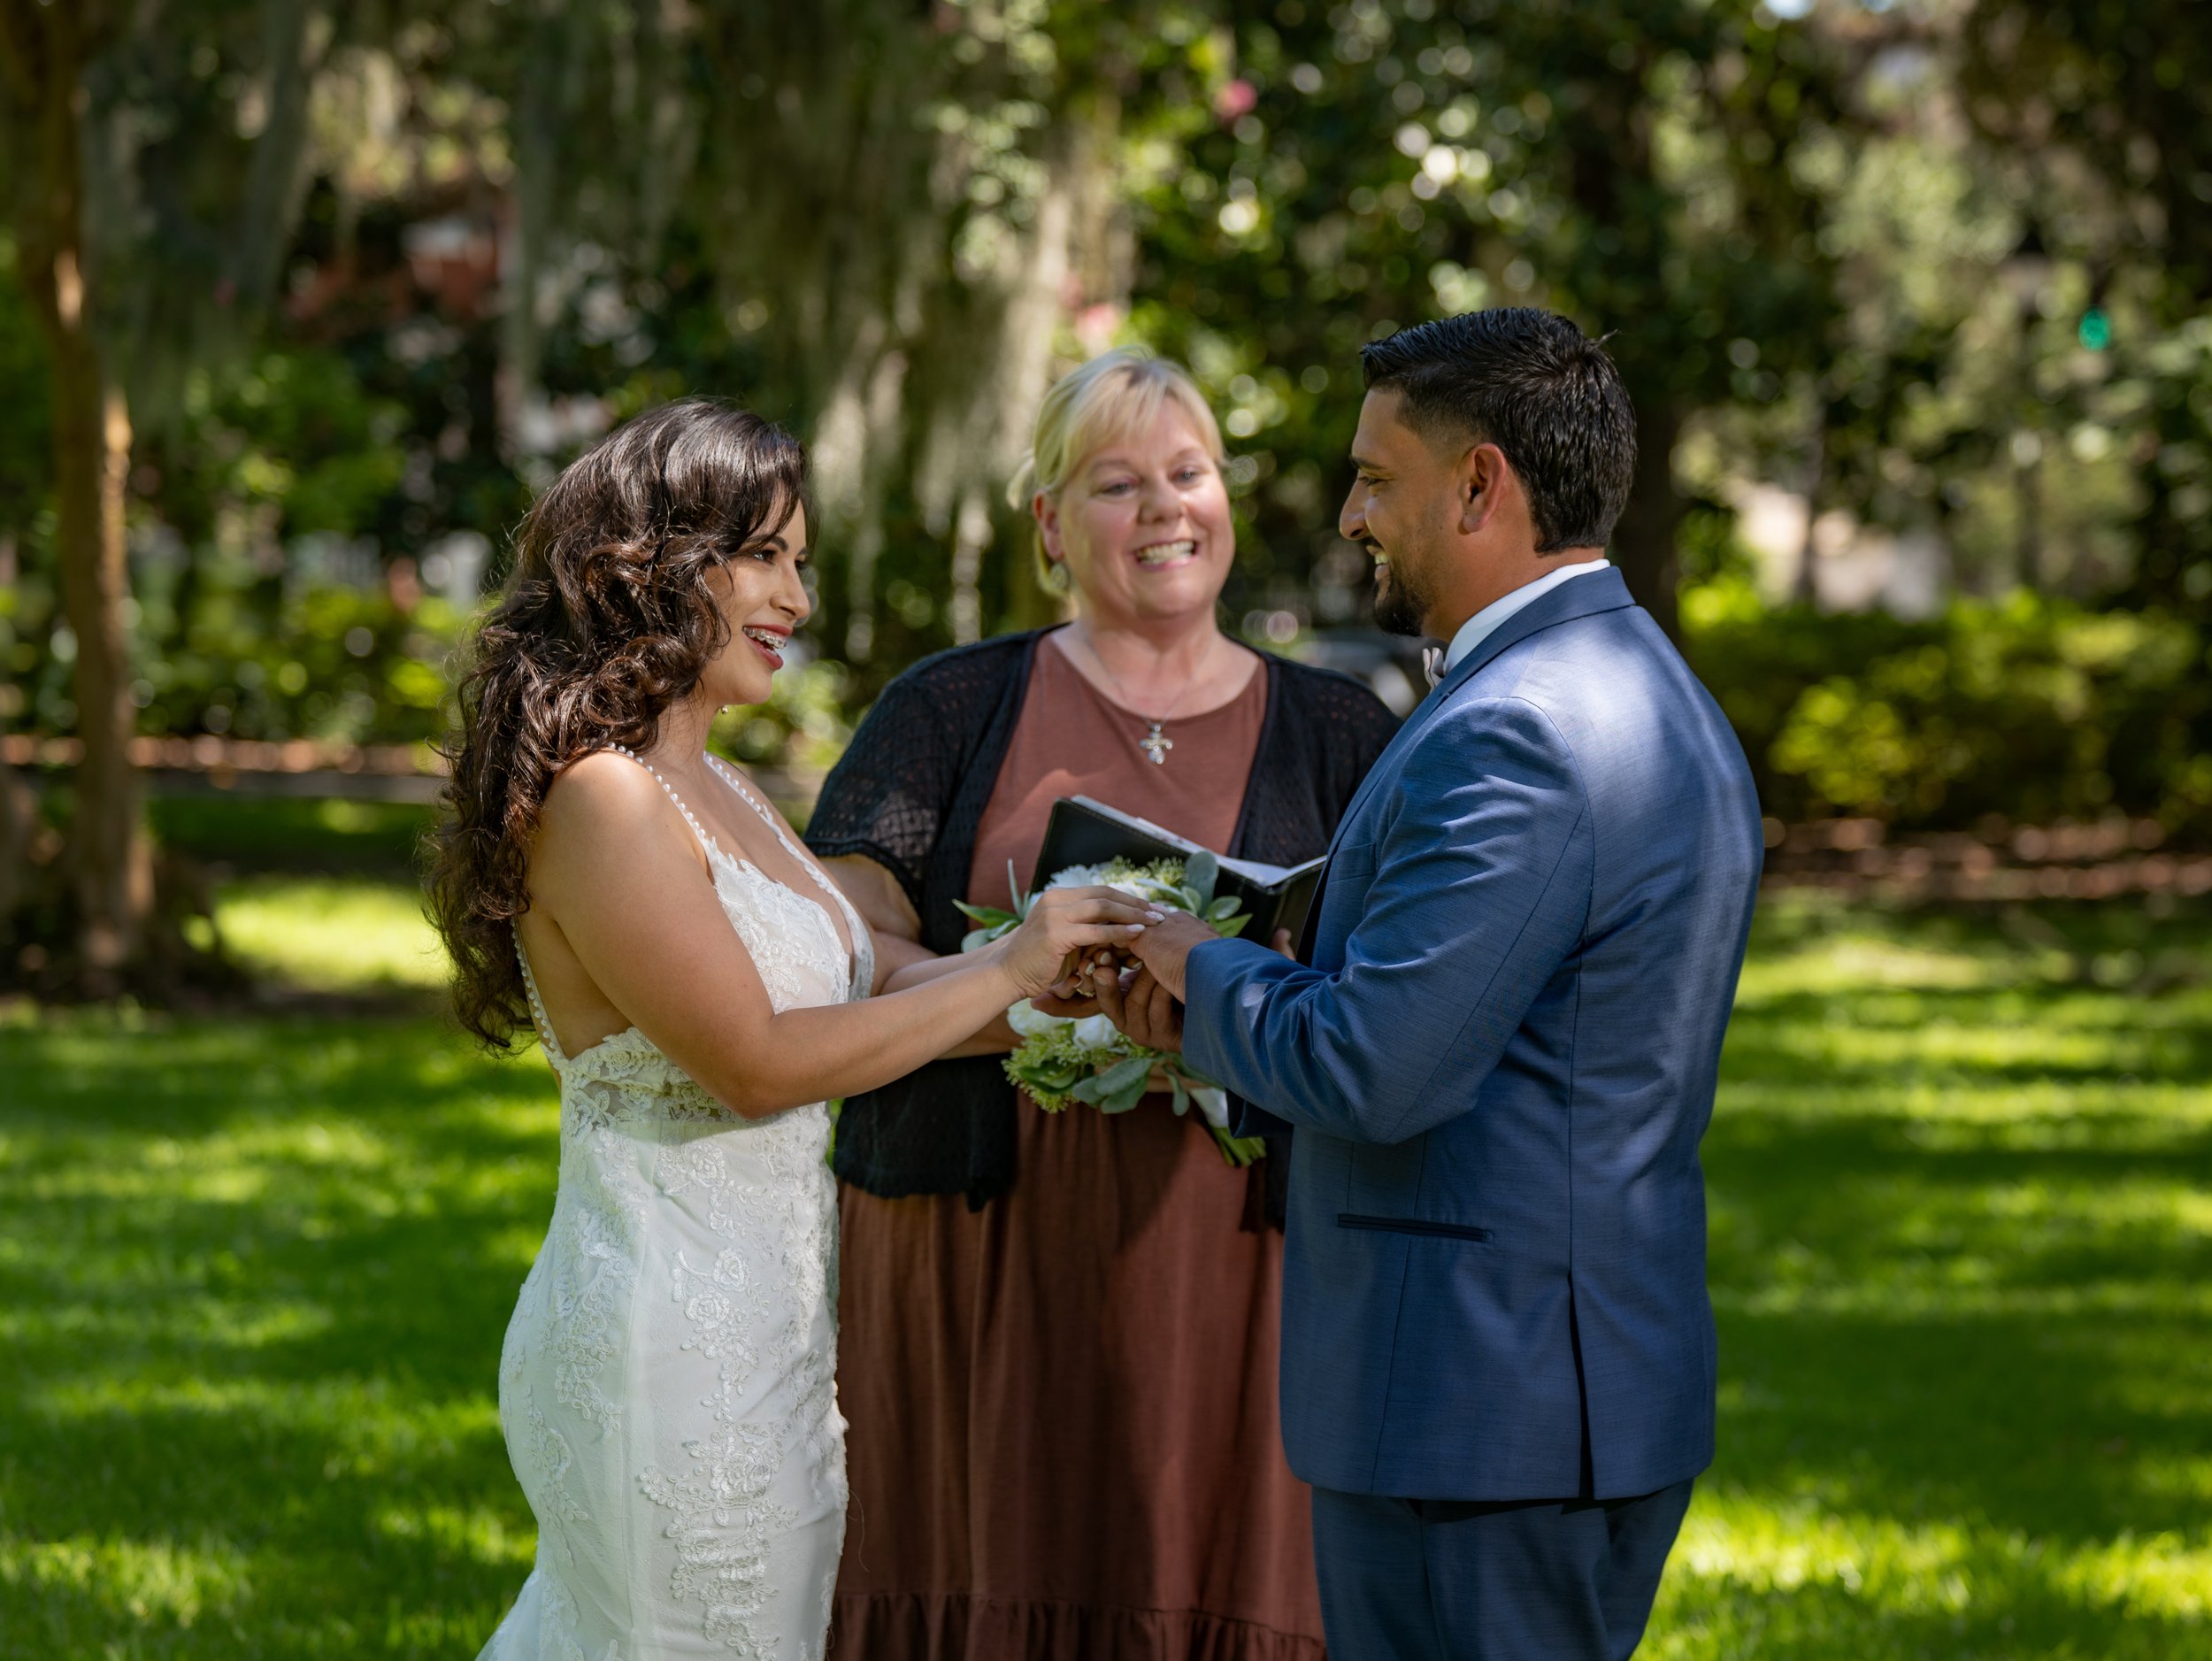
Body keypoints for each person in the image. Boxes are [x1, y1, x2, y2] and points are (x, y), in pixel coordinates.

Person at [425, 400, 1159, 1661]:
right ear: (657, 562)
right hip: (665, 1344)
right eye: (764, 554)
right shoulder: (602, 799)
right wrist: (1009, 968)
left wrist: (1060, 993)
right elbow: (756, 1059)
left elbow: (866, 993)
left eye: (798, 562)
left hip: (774, 1338)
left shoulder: (725, 787)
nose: (796, 600)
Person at [1100, 310, 1765, 1661]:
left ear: (1481, 486)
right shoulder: (1640, 686)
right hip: (1567, 1383)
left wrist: (1195, 959)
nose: (1351, 515)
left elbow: (1377, 1066)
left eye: (1374, 477)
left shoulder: (1520, 728)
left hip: (1476, 1411)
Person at [803, 350, 1401, 1659]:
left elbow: (1387, 994)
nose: (1164, 510)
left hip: (1235, 1258)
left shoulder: (1345, 732)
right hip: (977, 1248)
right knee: (984, 1567)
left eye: (1188, 474)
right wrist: (1021, 986)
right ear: (1050, 523)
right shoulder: (946, 708)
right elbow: (843, 959)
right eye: (1118, 483)